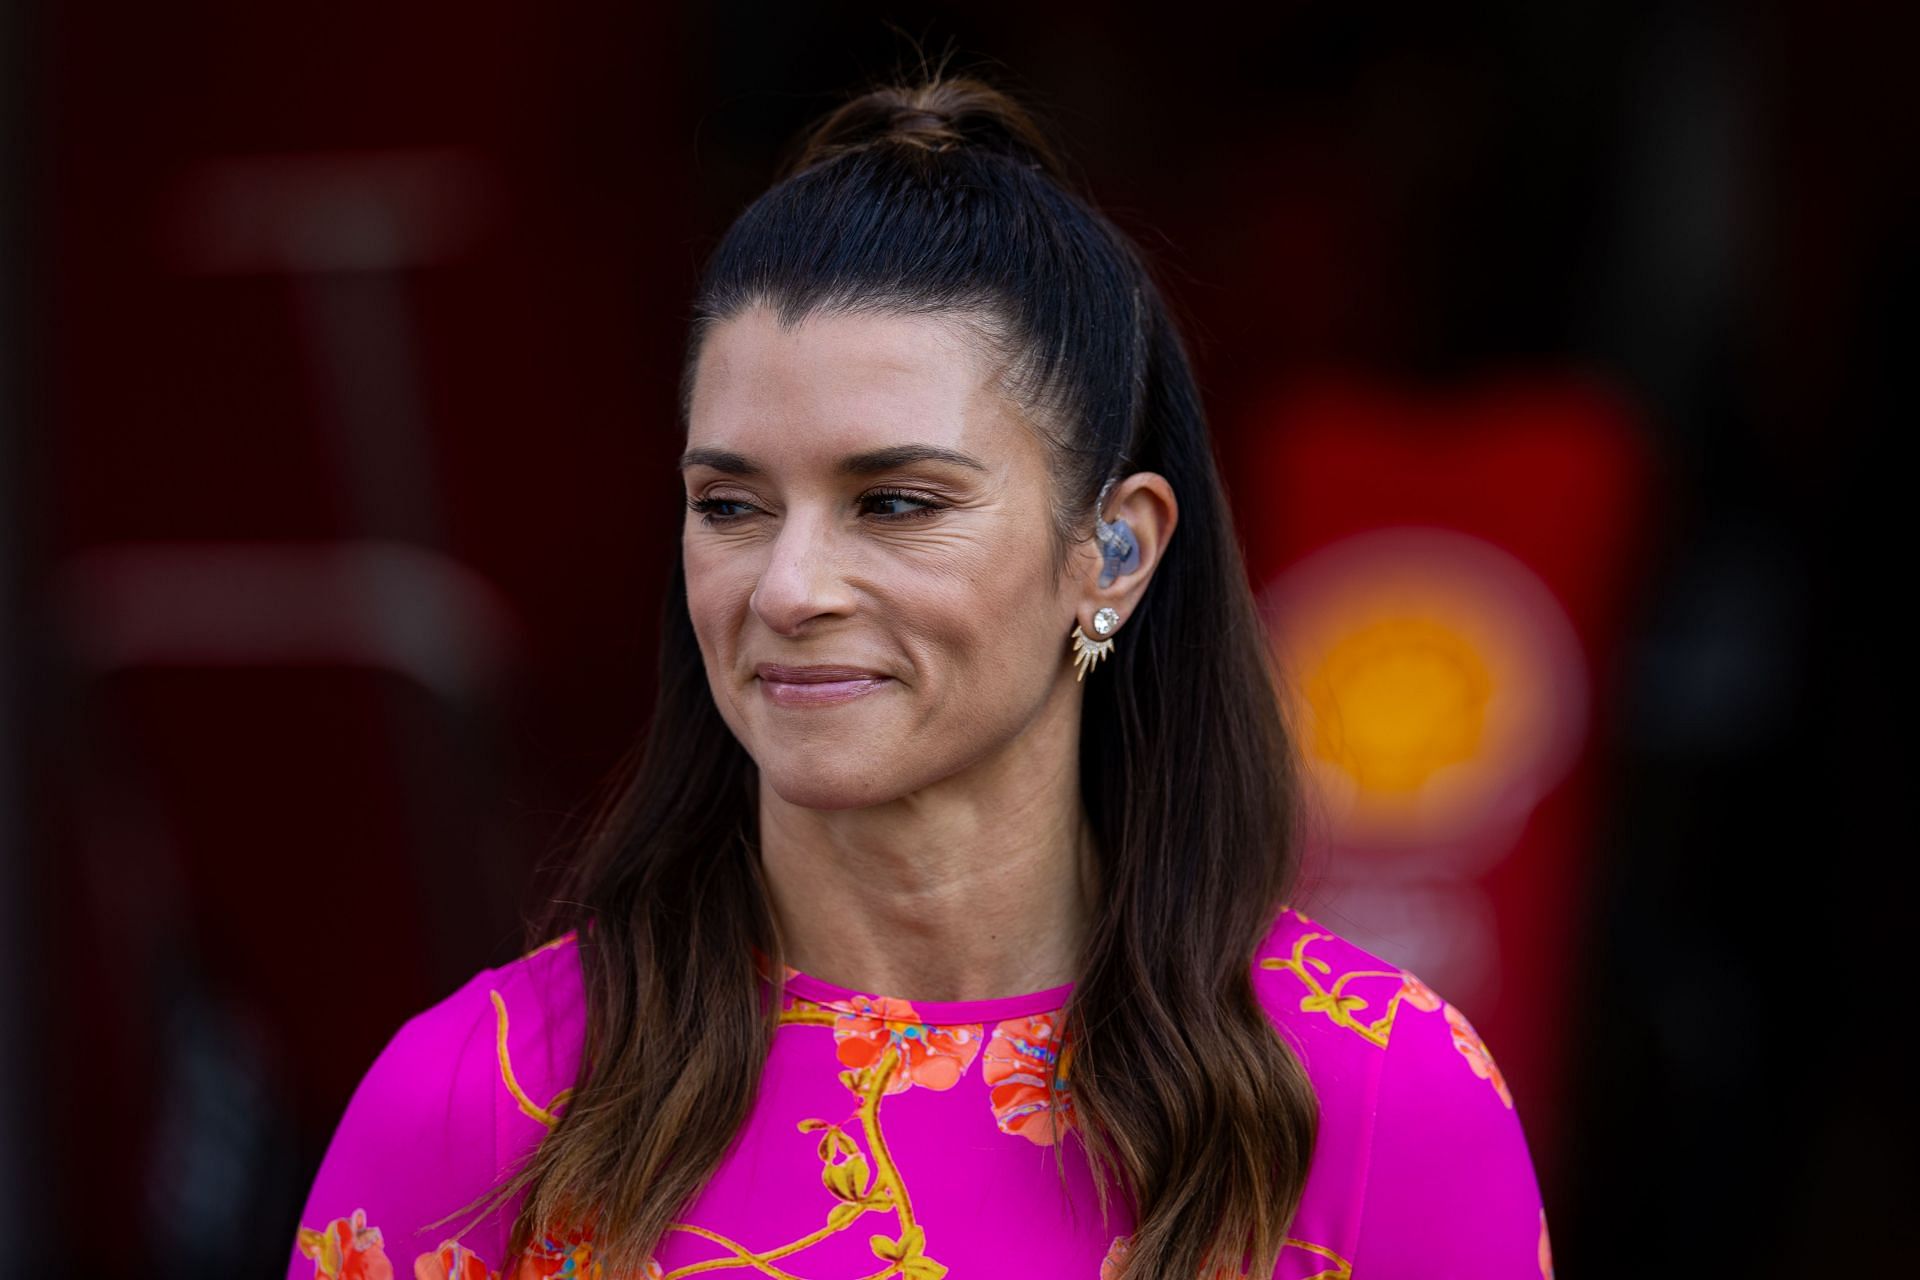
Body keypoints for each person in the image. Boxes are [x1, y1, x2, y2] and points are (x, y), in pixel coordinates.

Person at [286, 70, 1549, 1280]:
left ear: (1112, 552)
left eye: (893, 500)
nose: (786, 586)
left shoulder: (1380, 1099)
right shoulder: (482, 1102)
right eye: (730, 504)